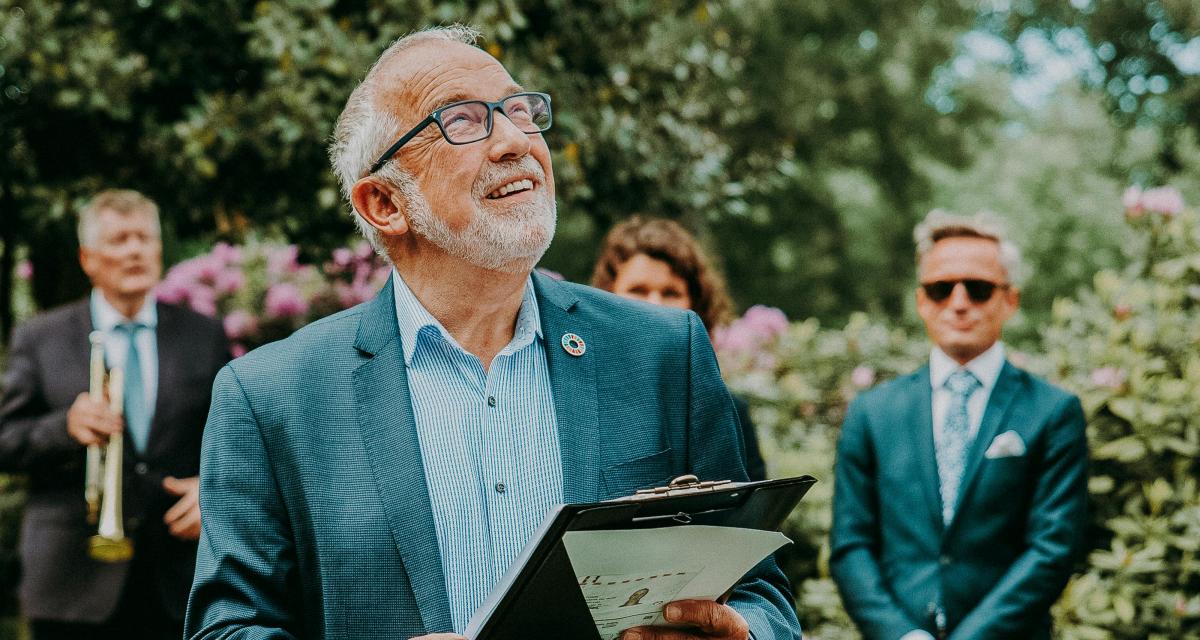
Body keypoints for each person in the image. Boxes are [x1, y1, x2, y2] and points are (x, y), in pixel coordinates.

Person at [185, 25, 799, 640]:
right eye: (463, 121)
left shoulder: (663, 352)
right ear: (384, 205)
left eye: (520, 110)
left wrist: (741, 631)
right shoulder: (268, 396)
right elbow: (229, 627)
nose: (514, 141)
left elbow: (759, 590)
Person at [829, 210, 1088, 640]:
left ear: (1010, 300)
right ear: (921, 300)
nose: (959, 302)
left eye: (980, 289)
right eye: (941, 288)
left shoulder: (1054, 411)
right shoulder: (871, 413)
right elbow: (850, 546)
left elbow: (1051, 550)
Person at [0, 189, 230, 640]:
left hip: (178, 579)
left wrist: (214, 490)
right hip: (71, 583)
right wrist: (62, 428)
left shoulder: (204, 335)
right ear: (88, 259)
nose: (134, 251)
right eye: (120, 239)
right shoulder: (41, 337)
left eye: (144, 238)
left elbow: (237, 440)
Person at [591, 216, 767, 480]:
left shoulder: (729, 410)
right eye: (638, 290)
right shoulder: (584, 402)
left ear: (696, 304)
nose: (654, 305)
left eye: (670, 293)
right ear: (608, 295)